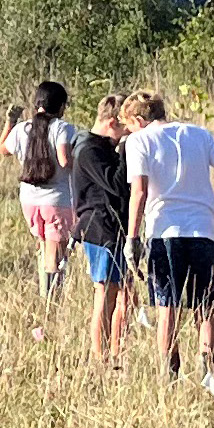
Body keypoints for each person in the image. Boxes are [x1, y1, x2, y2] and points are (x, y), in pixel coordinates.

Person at [124, 90, 214, 380]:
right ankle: (210, 372)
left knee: (167, 308)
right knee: (205, 309)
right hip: (203, 231)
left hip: (164, 232)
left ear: (139, 120)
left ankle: (169, 376)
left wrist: (132, 238)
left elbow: (140, 192)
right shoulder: (199, 134)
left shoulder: (139, 141)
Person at [0, 80, 82, 301]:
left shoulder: (22, 128)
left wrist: (10, 122)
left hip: (29, 199)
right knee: (56, 258)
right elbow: (65, 160)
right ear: (61, 105)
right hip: (57, 200)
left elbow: (3, 149)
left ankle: (46, 297)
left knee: (43, 248)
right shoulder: (62, 128)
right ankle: (51, 303)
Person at [72, 94, 134, 368]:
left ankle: (118, 353)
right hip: (100, 228)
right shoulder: (88, 149)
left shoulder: (103, 146)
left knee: (126, 292)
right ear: (112, 122)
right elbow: (116, 184)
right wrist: (123, 151)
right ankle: (101, 357)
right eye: (125, 126)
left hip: (117, 226)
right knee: (106, 292)